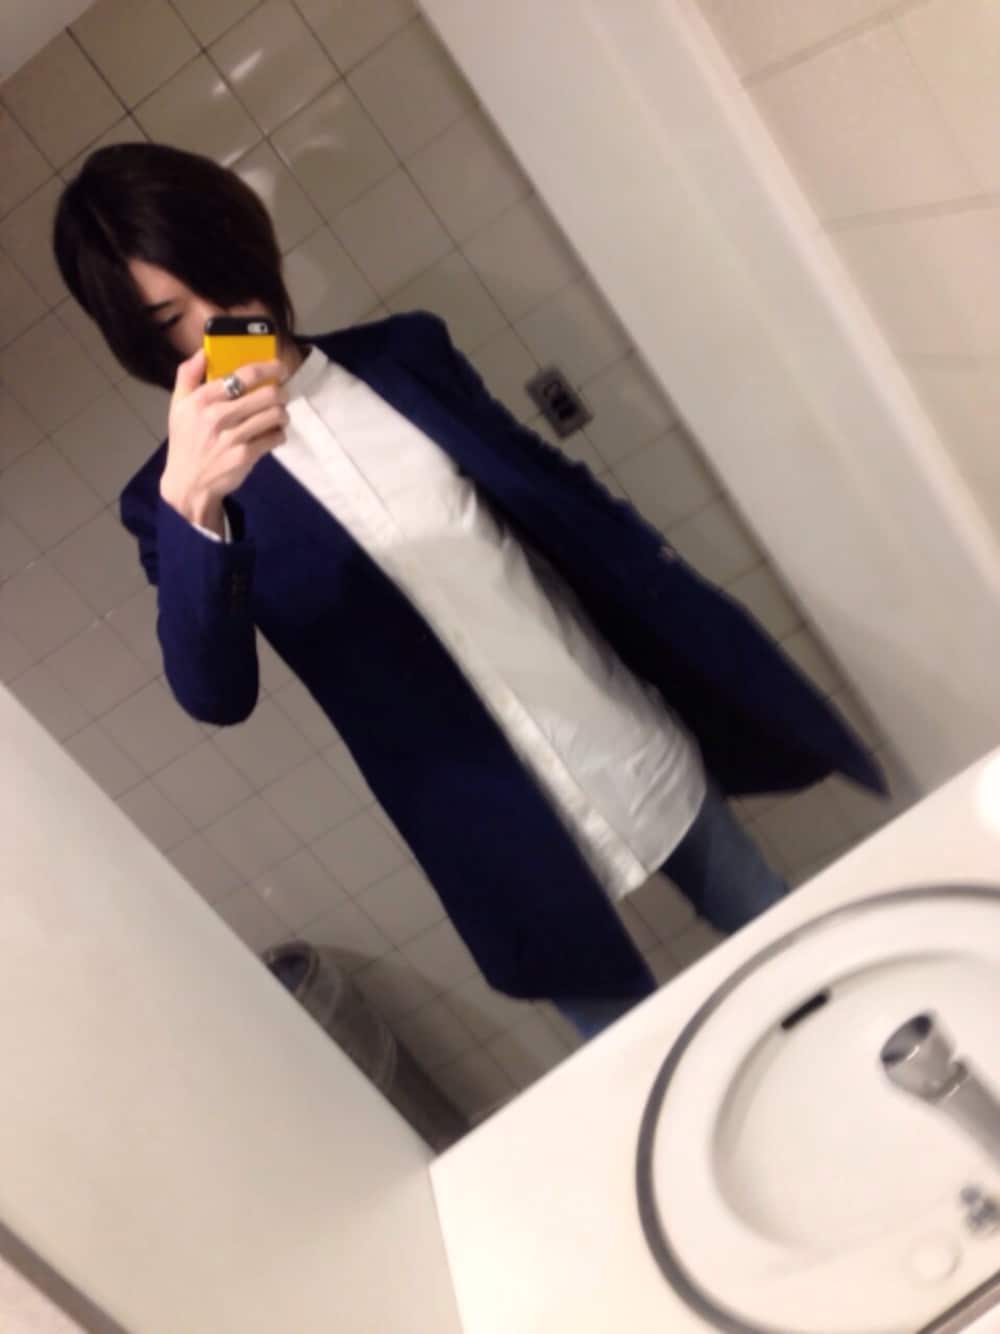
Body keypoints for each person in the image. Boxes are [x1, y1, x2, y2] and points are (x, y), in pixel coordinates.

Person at [53, 143, 885, 1040]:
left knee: (804, 967)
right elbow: (215, 693)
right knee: (636, 1059)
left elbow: (555, 497)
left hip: (615, 733)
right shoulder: (169, 499)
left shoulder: (405, 356)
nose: (221, 319)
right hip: (491, 836)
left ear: (246, 244)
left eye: (220, 276)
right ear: (142, 337)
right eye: (174, 315)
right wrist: (194, 507)